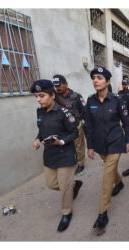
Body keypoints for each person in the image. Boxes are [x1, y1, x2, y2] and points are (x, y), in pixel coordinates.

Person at [31, 79, 81, 232]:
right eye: (36, 96)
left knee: (64, 189)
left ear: (52, 95)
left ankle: (67, 212)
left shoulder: (63, 112)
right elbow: (42, 130)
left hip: (65, 154)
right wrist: (38, 139)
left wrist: (61, 141)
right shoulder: (40, 111)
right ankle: (74, 185)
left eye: (41, 95)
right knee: (51, 184)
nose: (38, 99)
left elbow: (74, 132)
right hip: (50, 155)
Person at [84, 67, 129, 230]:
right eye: (93, 78)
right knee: (111, 171)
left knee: (106, 176)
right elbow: (88, 126)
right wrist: (89, 146)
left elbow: (125, 121)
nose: (95, 80)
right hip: (100, 144)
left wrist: (128, 140)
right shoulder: (90, 101)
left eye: (99, 77)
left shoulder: (117, 100)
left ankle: (102, 213)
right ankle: (119, 183)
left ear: (108, 81)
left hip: (115, 142)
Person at [52, 74, 86, 176]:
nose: (57, 88)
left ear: (66, 84)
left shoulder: (76, 96)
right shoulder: (55, 97)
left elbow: (84, 111)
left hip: (76, 125)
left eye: (59, 85)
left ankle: (81, 164)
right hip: (63, 127)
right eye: (55, 86)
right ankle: (69, 162)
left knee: (78, 146)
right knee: (66, 145)